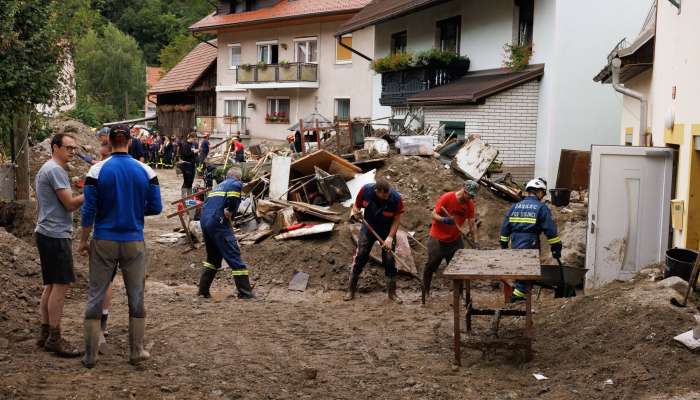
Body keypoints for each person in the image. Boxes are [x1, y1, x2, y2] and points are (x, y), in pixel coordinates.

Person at [79, 123, 163, 368]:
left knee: (96, 294)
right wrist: (136, 210)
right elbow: (156, 207)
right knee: (136, 295)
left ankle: (91, 355)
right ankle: (136, 351)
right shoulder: (146, 170)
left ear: (109, 140)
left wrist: (84, 240)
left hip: (104, 239)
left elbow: (88, 211)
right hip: (133, 241)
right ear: (128, 140)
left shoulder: (96, 171)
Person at [34, 133, 85, 357]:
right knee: (60, 286)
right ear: (55, 147)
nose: (72, 152)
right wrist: (92, 191)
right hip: (55, 234)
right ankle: (55, 337)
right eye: (68, 148)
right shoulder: (55, 170)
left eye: (74, 148)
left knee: (51, 285)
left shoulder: (50, 168)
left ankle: (45, 333)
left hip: (46, 232)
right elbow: (71, 204)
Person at [499, 177, 562, 302]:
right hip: (530, 241)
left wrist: (504, 245)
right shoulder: (541, 207)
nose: (542, 196)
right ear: (539, 192)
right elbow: (550, 230)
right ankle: (516, 297)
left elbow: (505, 227)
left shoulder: (515, 206)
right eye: (542, 194)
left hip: (515, 240)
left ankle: (519, 294)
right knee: (528, 269)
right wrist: (556, 247)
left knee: (520, 266)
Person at [197, 167, 254, 299]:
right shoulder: (235, 183)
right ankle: (245, 293)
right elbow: (233, 200)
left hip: (205, 222)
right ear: (238, 177)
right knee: (234, 255)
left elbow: (206, 205)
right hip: (219, 223)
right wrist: (230, 210)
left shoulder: (217, 187)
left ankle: (203, 291)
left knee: (213, 258)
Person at [344, 179, 404, 303]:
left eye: (387, 195)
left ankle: (392, 293)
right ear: (377, 191)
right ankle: (351, 290)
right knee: (361, 255)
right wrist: (356, 212)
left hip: (387, 231)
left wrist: (390, 238)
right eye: (383, 195)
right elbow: (356, 206)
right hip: (368, 227)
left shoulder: (396, 199)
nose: (386, 197)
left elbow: (397, 220)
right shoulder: (365, 191)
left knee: (389, 259)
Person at [422, 180, 479, 304]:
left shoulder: (469, 204)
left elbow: (472, 224)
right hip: (437, 239)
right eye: (469, 195)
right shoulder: (447, 197)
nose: (470, 198)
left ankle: (459, 295)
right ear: (464, 190)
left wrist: (476, 241)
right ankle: (425, 292)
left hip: (455, 240)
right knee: (431, 266)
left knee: (458, 269)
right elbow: (433, 214)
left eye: (472, 196)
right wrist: (444, 219)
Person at [178, 132, 199, 198]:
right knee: (186, 181)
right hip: (186, 165)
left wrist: (196, 152)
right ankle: (183, 197)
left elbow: (194, 154)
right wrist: (193, 152)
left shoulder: (193, 144)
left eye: (195, 139)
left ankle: (189, 197)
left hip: (192, 165)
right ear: (190, 137)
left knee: (191, 182)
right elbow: (185, 154)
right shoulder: (184, 144)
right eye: (194, 139)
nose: (195, 141)